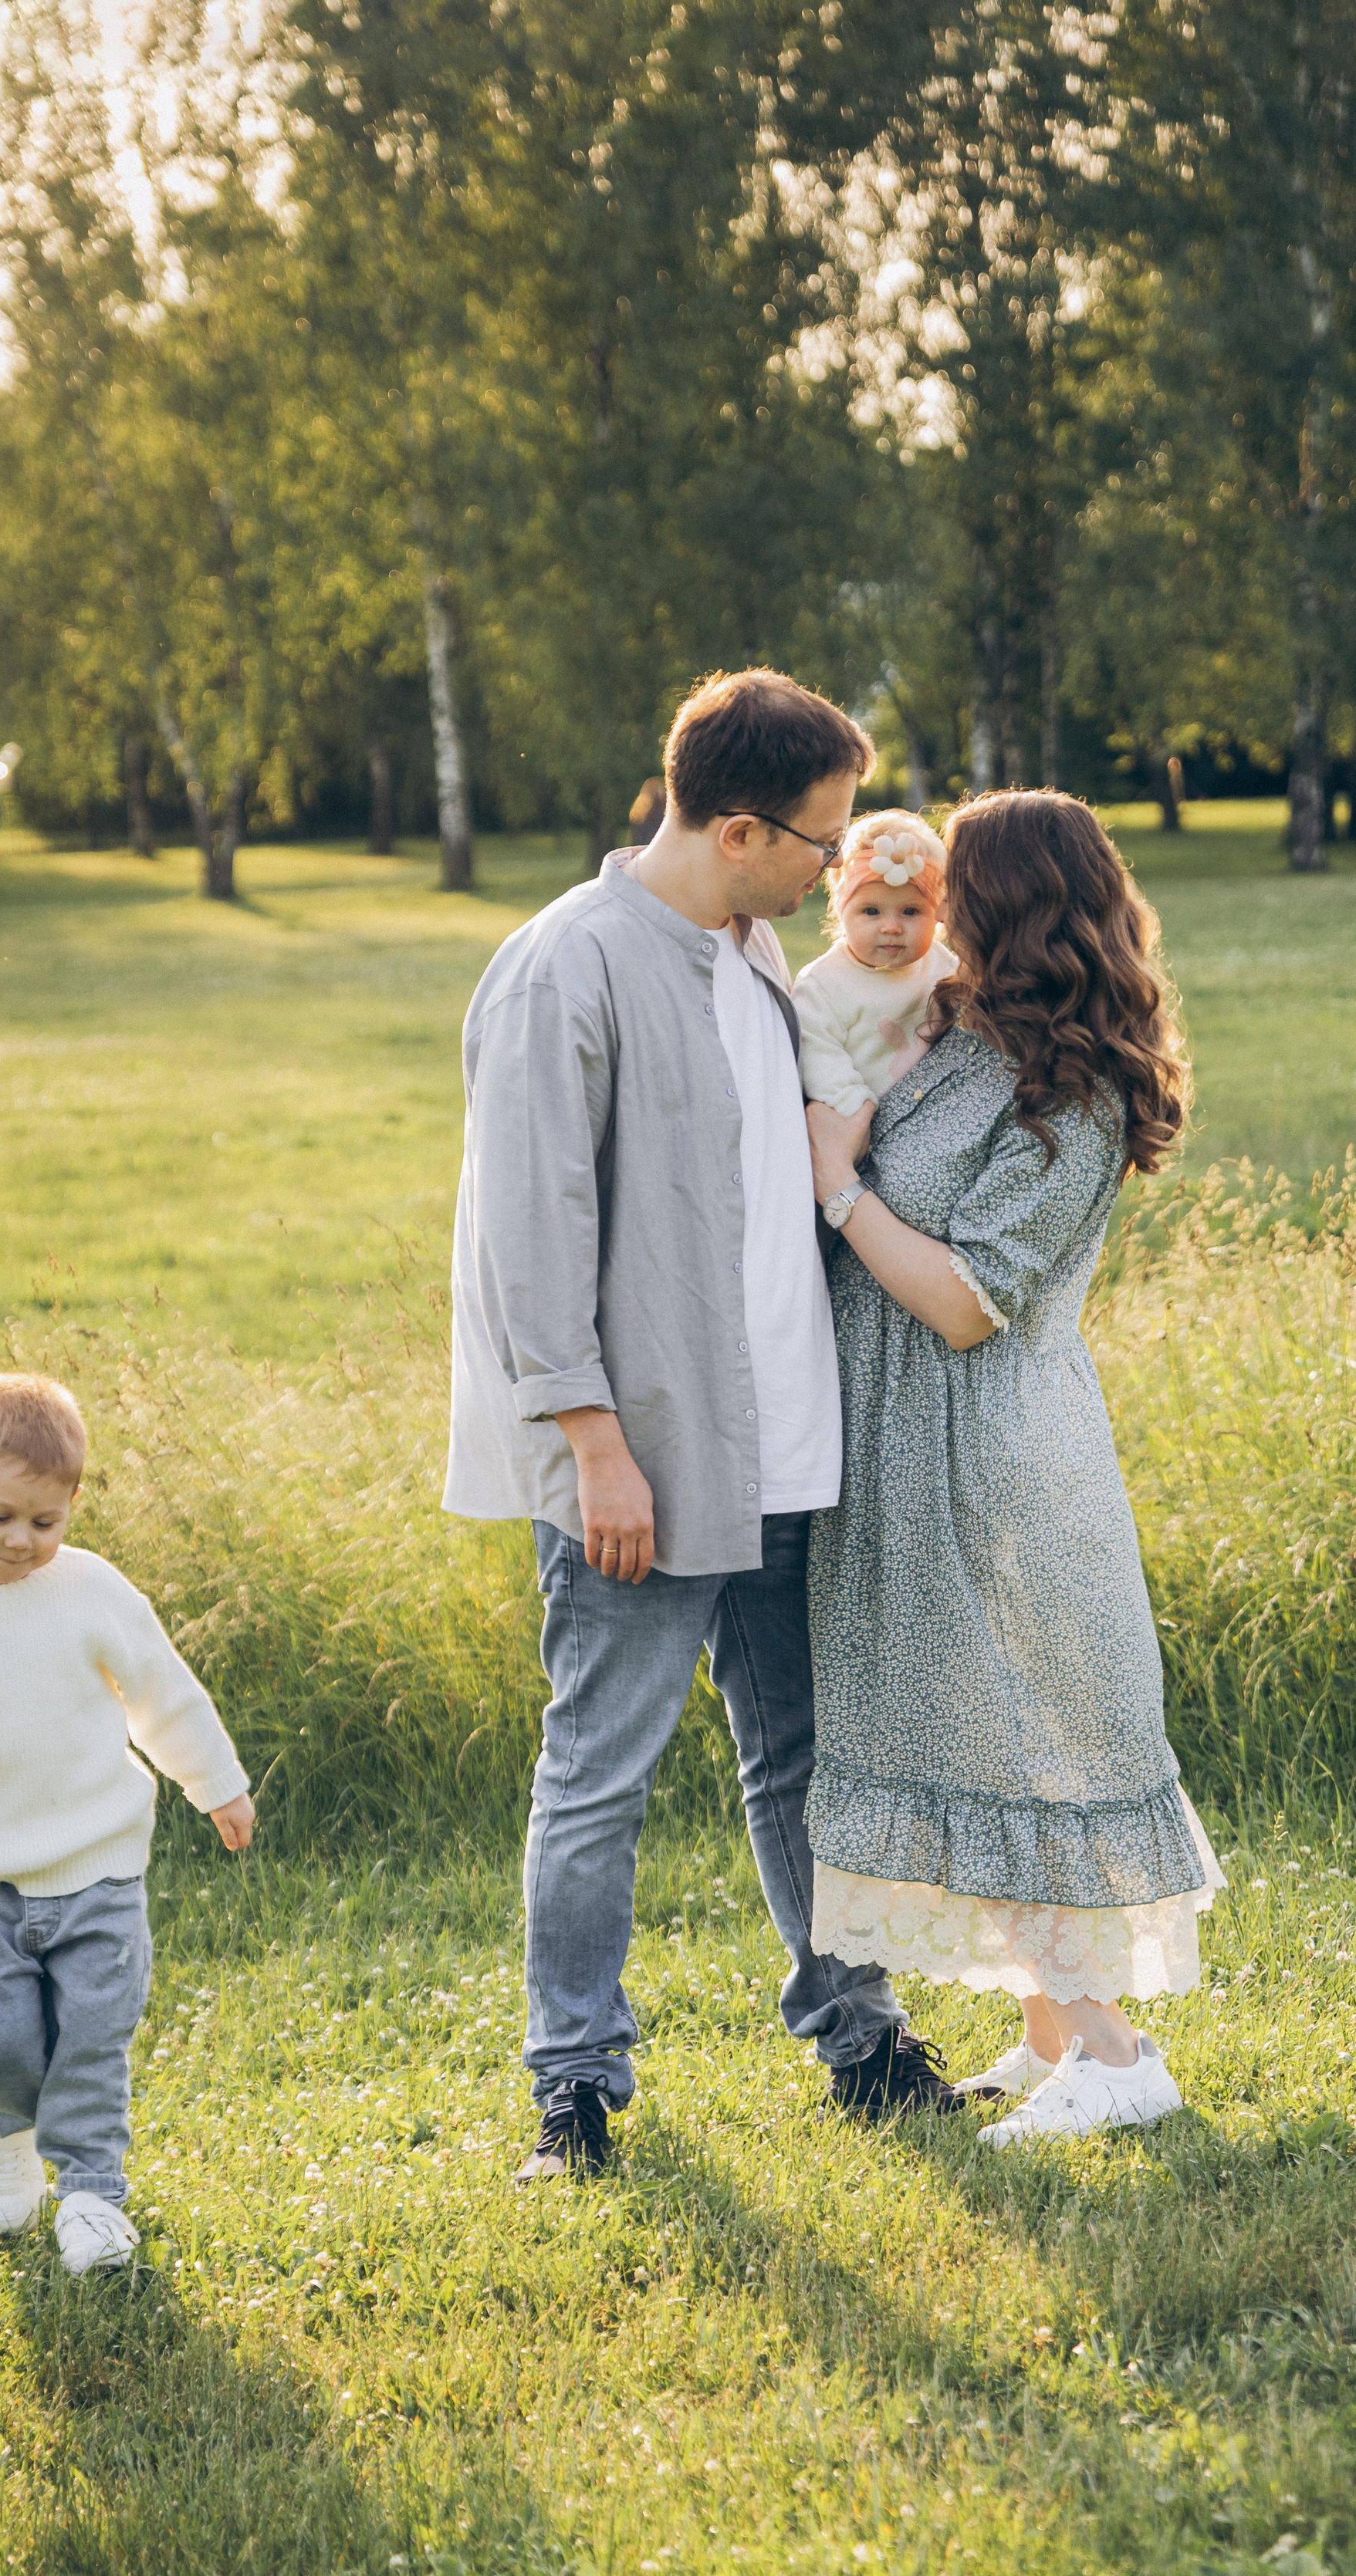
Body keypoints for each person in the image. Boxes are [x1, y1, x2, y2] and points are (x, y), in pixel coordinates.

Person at [445, 668, 964, 2183]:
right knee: (599, 1762)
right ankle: (574, 2089)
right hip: (646, 1461)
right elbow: (526, 1241)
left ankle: (854, 2032)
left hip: (782, 1445)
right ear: (738, 829)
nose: (835, 869)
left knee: (797, 1754)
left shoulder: (752, 959)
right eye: (818, 842)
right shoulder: (569, 967)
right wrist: (595, 1445)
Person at [803, 788, 1224, 2142]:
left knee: (1023, 1735)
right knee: (979, 1734)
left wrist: (840, 1191)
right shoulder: (966, 1035)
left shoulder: (1081, 1087)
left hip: (990, 1457)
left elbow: (968, 1297)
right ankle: (1054, 2037)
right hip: (907, 1452)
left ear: (1009, 904)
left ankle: (1117, 2055)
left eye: (953, 891)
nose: (928, 915)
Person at [0, 1372, 255, 2273]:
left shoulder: (90, 1591)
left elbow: (163, 1692)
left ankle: (91, 2198)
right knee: (0, 2040)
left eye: (46, 1521)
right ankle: (4, 2133)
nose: (21, 1541)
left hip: (99, 1871)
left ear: (73, 1504)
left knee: (92, 2039)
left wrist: (215, 1782)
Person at [793, 809, 955, 1116]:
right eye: (871, 912)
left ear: (937, 913)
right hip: (867, 1119)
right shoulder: (823, 985)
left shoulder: (942, 965)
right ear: (842, 911)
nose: (891, 927)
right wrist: (858, 1108)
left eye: (910, 912)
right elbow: (820, 1060)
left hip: (941, 1112)